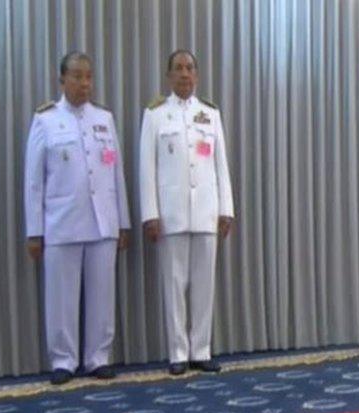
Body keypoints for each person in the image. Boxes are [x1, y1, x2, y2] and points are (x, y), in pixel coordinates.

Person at [24, 51, 131, 385]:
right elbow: (33, 180)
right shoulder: (45, 119)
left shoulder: (103, 119)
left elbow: (116, 174)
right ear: (62, 80)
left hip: (103, 222)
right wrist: (34, 231)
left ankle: (98, 357)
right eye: (77, 76)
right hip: (61, 223)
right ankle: (64, 360)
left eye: (89, 76)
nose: (85, 83)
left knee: (102, 294)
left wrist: (122, 222)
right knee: (61, 296)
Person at [138, 49, 234, 376]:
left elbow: (220, 164)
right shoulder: (155, 115)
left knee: (204, 286)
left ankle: (201, 349)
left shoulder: (210, 113)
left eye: (190, 68)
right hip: (171, 215)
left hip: (206, 213)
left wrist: (226, 208)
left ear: (197, 75)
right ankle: (178, 353)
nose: (184, 74)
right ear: (168, 76)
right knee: (174, 285)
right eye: (178, 68)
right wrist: (150, 214)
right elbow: (146, 169)